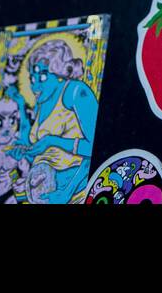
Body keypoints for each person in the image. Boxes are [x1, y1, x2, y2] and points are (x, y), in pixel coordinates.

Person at [9, 39, 99, 204]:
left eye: (42, 76)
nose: (34, 85)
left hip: (73, 194)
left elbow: (95, 149)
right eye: (32, 77)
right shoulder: (41, 102)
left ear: (59, 74)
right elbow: (45, 155)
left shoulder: (75, 92)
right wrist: (26, 152)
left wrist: (52, 141)